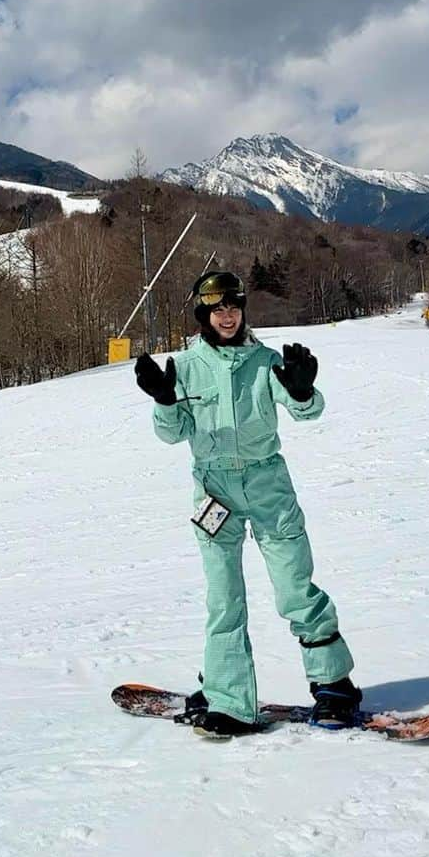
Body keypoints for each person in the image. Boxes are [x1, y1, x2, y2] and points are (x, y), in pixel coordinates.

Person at [133, 270, 359, 739]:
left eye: (233, 306)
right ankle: (227, 696)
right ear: (203, 315)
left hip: (267, 484)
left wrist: (300, 390)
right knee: (224, 598)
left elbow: (308, 412)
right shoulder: (187, 366)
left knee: (295, 588)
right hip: (214, 490)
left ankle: (334, 686)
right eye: (217, 309)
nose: (227, 315)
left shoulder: (265, 361)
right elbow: (172, 434)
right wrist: (164, 400)